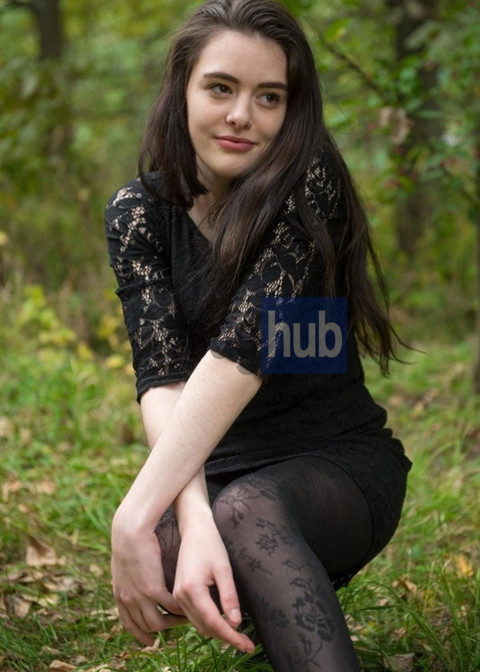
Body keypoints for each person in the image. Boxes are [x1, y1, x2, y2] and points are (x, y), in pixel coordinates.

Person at [104, 1, 412, 670]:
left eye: (269, 96)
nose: (242, 114)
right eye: (220, 88)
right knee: (195, 534)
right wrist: (190, 514)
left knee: (247, 513)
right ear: (182, 89)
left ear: (292, 110)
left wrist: (133, 513)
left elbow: (238, 358)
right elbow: (163, 378)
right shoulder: (138, 213)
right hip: (216, 468)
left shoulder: (310, 184)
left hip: (335, 463)